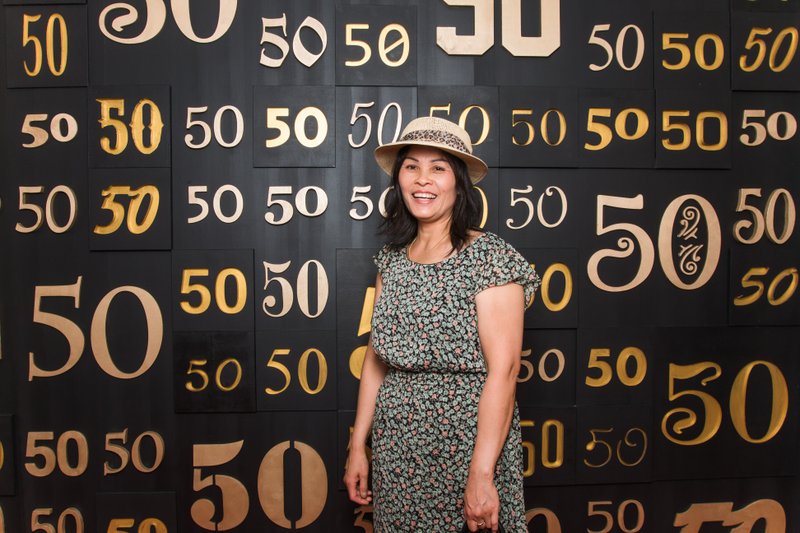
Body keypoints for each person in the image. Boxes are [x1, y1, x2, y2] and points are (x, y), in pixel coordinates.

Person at [343, 116, 540, 533]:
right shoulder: (391, 260)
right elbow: (376, 360)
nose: (422, 179)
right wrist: (358, 444)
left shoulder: (490, 258)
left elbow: (504, 371)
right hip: (397, 449)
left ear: (459, 183)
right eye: (411, 166)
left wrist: (482, 473)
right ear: (398, 179)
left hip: (467, 447)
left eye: (438, 167)